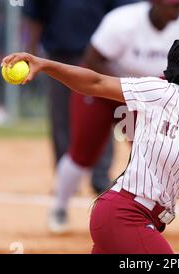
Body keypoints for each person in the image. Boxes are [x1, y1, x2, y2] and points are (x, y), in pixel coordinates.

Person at [2, 36, 179, 254]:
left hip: (147, 220)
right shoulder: (161, 93)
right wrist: (45, 64)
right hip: (123, 214)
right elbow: (96, 83)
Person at [49, 0, 179, 234]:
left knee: (152, 151)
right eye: (173, 5)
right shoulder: (123, 21)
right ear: (155, 3)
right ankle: (59, 208)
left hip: (143, 98)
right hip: (101, 91)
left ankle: (141, 212)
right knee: (83, 154)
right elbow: (93, 58)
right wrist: (123, 89)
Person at [21, 0, 136, 191]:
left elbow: (122, 16)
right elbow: (34, 16)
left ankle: (99, 178)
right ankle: (66, 181)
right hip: (59, 58)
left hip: (98, 59)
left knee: (100, 118)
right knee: (61, 119)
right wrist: (31, 51)